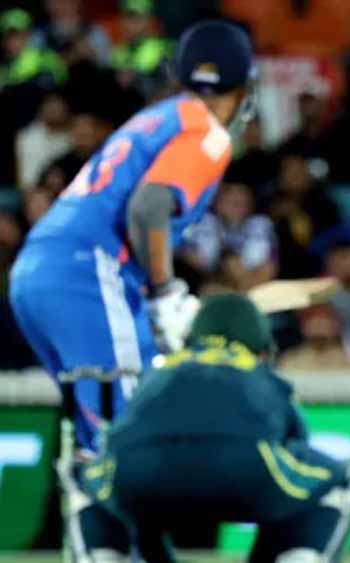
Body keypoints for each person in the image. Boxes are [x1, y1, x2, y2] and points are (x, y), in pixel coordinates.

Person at [7, 20, 257, 453]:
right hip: (88, 273)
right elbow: (148, 206)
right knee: (135, 438)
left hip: (37, 271)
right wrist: (166, 292)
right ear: (246, 89)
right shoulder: (207, 131)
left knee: (97, 439)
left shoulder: (154, 118)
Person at [63, 293, 350, 562]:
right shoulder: (259, 370)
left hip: (142, 472)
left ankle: (102, 557)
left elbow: (119, 441)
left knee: (82, 476)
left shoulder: (159, 370)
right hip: (245, 470)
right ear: (262, 349)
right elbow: (296, 444)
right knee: (345, 476)